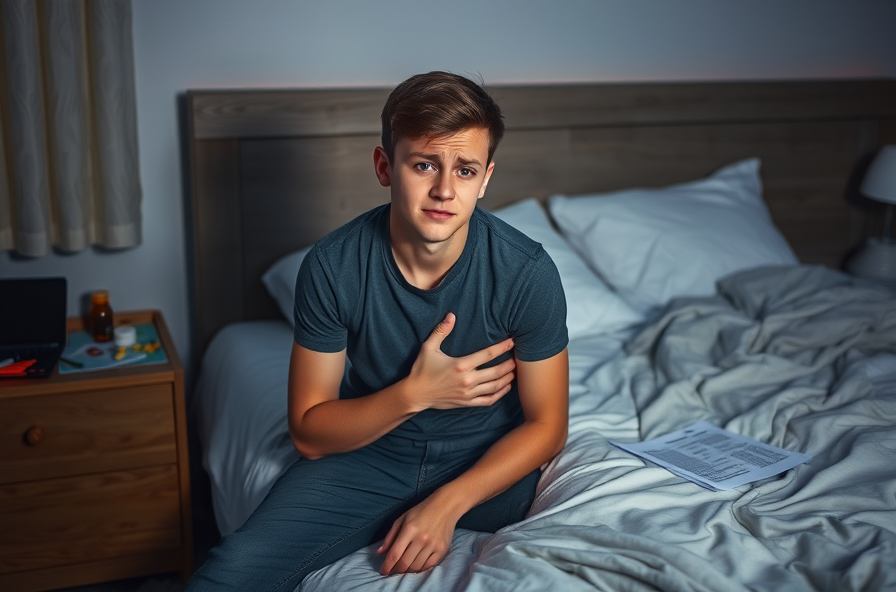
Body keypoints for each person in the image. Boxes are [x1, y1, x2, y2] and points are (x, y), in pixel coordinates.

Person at [186, 71, 569, 591]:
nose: (444, 189)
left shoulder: (527, 271)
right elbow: (310, 434)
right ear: (385, 166)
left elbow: (547, 426)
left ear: (485, 179)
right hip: (370, 457)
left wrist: (446, 505)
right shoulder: (332, 265)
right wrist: (418, 392)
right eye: (425, 164)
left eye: (465, 170)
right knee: (229, 574)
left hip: (486, 464)